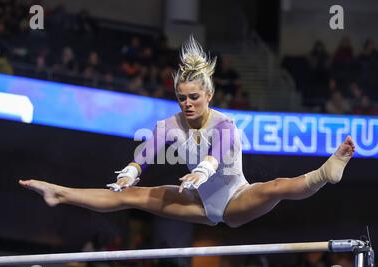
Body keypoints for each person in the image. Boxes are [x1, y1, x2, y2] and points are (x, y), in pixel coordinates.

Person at [19, 36, 356, 228]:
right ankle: (59, 193)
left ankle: (325, 173)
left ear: (209, 95)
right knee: (128, 197)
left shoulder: (225, 124)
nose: (188, 103)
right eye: (182, 98)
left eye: (194, 97)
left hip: (235, 198)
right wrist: (130, 173)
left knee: (275, 188)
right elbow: (146, 154)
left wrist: (201, 171)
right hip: (198, 201)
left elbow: (214, 155)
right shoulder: (168, 125)